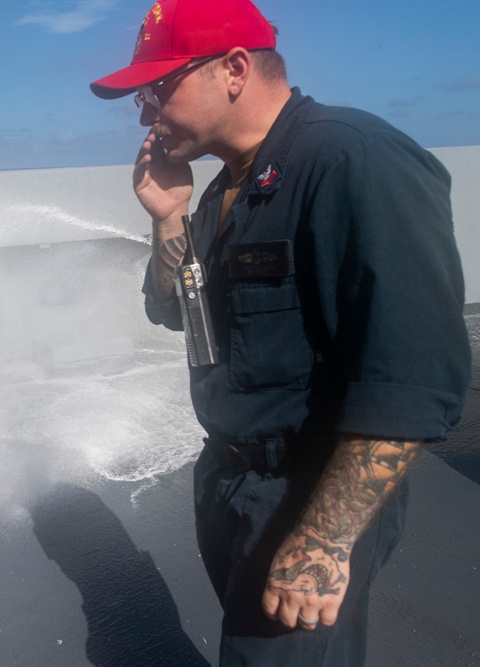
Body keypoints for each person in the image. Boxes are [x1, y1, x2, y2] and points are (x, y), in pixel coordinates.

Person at [90, 0, 471, 664]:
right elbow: (176, 310)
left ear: (234, 68)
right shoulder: (219, 193)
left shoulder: (354, 160)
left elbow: (413, 374)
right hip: (231, 486)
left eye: (158, 87)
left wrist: (324, 539)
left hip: (308, 495)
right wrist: (167, 218)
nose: (145, 112)